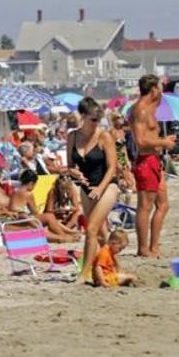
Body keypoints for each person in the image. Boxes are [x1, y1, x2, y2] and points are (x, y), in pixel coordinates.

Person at [66, 97, 120, 283]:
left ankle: (84, 274)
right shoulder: (72, 137)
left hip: (107, 186)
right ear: (82, 116)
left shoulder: (104, 136)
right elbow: (70, 165)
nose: (97, 123)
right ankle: (112, 269)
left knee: (90, 230)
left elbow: (112, 167)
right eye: (93, 119)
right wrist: (74, 173)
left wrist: (100, 188)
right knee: (101, 234)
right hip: (85, 188)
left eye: (98, 119)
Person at [130, 75, 176, 258]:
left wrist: (164, 141)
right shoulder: (140, 109)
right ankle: (143, 249)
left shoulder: (152, 107)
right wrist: (164, 142)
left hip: (155, 160)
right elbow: (140, 141)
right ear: (153, 90)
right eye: (160, 88)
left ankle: (154, 247)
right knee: (145, 206)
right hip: (145, 161)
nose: (162, 91)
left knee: (163, 205)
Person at [9, 170, 80, 243]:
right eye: (35, 185)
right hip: (21, 218)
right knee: (49, 217)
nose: (34, 187)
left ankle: (68, 233)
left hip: (16, 218)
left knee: (49, 217)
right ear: (31, 183)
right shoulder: (28, 194)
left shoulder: (16, 191)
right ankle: (64, 236)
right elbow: (35, 212)